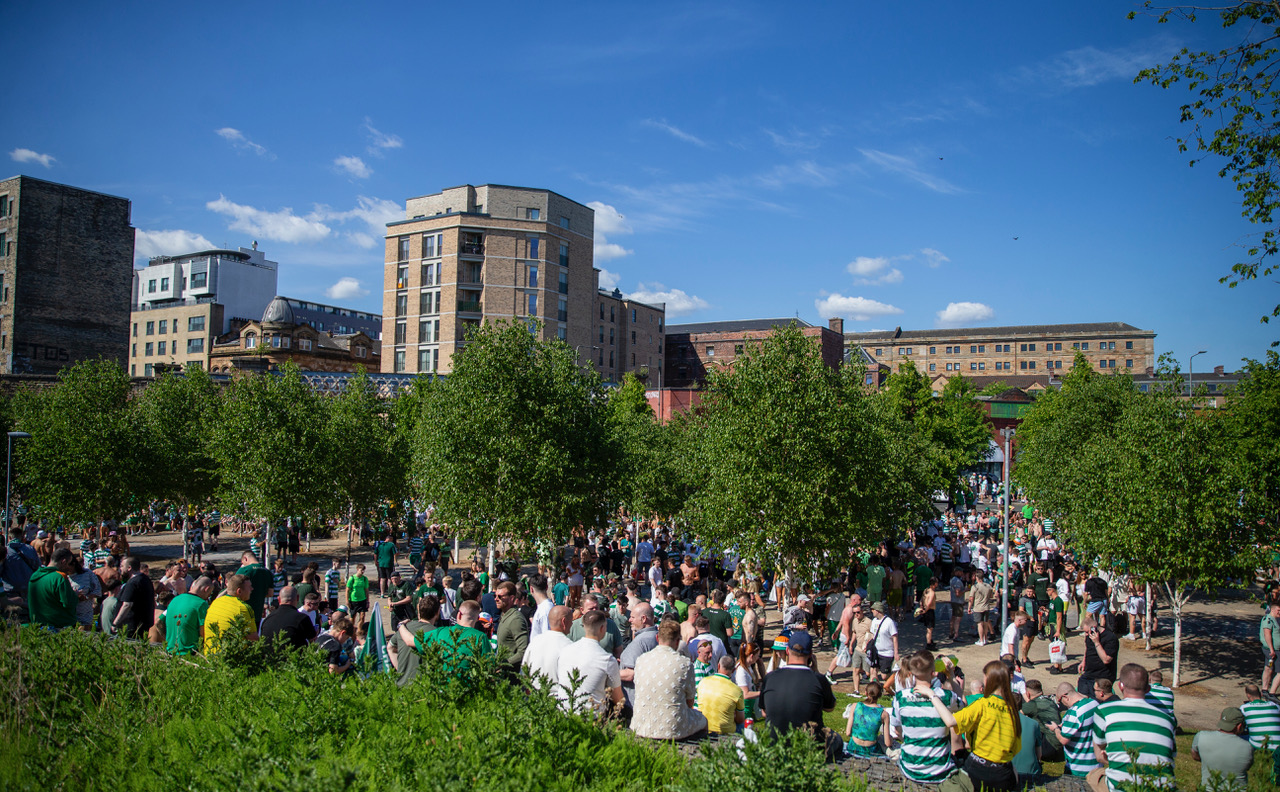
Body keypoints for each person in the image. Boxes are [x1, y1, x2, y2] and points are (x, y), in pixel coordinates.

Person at [931, 659, 1023, 791]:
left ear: (989, 680)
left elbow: (951, 721)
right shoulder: (1012, 710)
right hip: (1003, 777)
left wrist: (932, 696)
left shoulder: (982, 704)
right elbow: (1015, 749)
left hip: (978, 771)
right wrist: (951, 678)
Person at [1088, 664, 1175, 792]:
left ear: (1120, 686)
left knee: (1093, 776)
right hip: (1161, 787)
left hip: (1122, 787)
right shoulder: (1167, 720)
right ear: (1148, 689)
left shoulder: (1104, 711)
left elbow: (1099, 755)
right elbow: (1169, 756)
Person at [758, 630, 841, 761]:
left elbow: (764, 712)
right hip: (806, 744)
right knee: (837, 739)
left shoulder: (770, 677)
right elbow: (830, 707)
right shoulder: (818, 680)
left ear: (787, 651)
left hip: (774, 742)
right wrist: (816, 671)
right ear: (811, 655)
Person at [631, 619, 707, 740]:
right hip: (673, 728)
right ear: (678, 642)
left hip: (641, 725)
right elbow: (690, 702)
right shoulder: (685, 664)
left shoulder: (641, 660)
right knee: (703, 720)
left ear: (657, 638)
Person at [891, 650, 960, 783]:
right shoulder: (946, 697)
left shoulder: (900, 698)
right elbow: (963, 702)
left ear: (910, 672)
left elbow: (897, 731)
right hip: (940, 770)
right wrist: (951, 676)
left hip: (910, 767)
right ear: (933, 672)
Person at [556, 610, 623, 716]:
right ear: (602, 628)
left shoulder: (565, 650)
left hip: (564, 712)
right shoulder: (606, 659)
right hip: (591, 718)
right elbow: (618, 698)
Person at [1191, 707, 1253, 791]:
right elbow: (1247, 766)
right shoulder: (1247, 747)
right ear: (1239, 726)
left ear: (1221, 719)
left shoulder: (1201, 736)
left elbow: (1195, 755)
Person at [1047, 682, 1100, 777]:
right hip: (1096, 764)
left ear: (1065, 697)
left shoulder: (1074, 712)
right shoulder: (1094, 703)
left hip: (1078, 766)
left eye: (1060, 701)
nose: (1062, 704)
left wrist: (1055, 728)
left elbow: (1064, 739)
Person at [388, 595, 438, 687]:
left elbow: (390, 647)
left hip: (401, 684)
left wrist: (400, 668)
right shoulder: (437, 633)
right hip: (424, 687)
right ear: (437, 612)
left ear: (418, 611)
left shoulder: (405, 628)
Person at [203, 574, 259, 654]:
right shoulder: (243, 608)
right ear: (239, 591)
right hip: (230, 658)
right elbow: (253, 639)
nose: (252, 589)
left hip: (211, 655)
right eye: (249, 587)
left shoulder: (215, 602)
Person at [27, 547, 79, 631]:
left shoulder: (35, 575)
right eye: (69, 564)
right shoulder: (60, 577)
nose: (69, 568)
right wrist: (75, 595)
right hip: (58, 626)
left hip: (38, 625)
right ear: (63, 561)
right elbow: (69, 602)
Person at [523, 604, 574, 688]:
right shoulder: (569, 646)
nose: (572, 624)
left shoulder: (535, 641)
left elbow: (524, 670)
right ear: (564, 622)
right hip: (556, 697)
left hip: (534, 694)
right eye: (571, 621)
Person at [618, 602, 658, 709]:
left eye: (632, 617)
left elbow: (631, 674)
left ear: (643, 619)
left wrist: (608, 672)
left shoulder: (640, 642)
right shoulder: (657, 637)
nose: (629, 620)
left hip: (634, 704)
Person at [165, 576, 214, 655]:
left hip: (171, 650)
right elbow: (203, 633)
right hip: (189, 652)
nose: (208, 597)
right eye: (210, 593)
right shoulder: (201, 604)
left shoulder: (175, 599)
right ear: (206, 589)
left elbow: (160, 621)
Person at [697, 655, 746, 734]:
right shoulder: (737, 691)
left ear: (718, 665)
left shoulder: (703, 682)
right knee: (742, 725)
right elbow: (740, 719)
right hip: (726, 732)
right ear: (733, 670)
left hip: (704, 728)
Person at [259, 586, 316, 650]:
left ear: (279, 599)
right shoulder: (302, 618)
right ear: (297, 598)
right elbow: (314, 642)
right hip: (294, 658)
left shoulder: (268, 619)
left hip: (269, 658)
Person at [1077, 613, 1119, 701]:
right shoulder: (1090, 635)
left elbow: (1106, 659)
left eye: (1086, 631)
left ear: (1094, 628)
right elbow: (1088, 649)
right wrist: (1084, 662)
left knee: (1097, 700)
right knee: (1082, 697)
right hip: (1089, 673)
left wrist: (1097, 643)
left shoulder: (1110, 638)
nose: (1086, 635)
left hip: (1102, 676)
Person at [113, 556, 156, 640]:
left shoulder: (132, 583)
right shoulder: (146, 579)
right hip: (144, 625)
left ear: (129, 568)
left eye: (122, 566)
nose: (120, 568)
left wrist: (115, 623)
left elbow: (127, 605)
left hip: (131, 627)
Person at [1021, 679, 1064, 762]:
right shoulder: (1050, 701)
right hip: (1061, 745)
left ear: (1028, 693)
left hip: (1049, 748)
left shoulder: (1033, 704)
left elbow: (1017, 715)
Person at [844, 680, 890, 757]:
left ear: (866, 693)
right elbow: (887, 743)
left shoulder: (855, 706)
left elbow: (848, 733)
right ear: (880, 696)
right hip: (871, 751)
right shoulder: (883, 714)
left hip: (853, 747)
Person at [493, 581, 530, 673]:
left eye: (500, 597)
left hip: (512, 676)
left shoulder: (516, 619)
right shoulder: (504, 615)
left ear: (511, 598)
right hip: (503, 674)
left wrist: (504, 664)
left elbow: (523, 651)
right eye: (495, 596)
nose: (496, 599)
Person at [234, 550, 273, 626]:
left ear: (245, 558)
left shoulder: (244, 570)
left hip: (243, 612)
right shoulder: (268, 572)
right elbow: (270, 593)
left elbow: (233, 589)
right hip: (258, 613)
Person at [1241, 683, 1280, 750]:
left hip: (1259, 747)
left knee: (1238, 737)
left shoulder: (1244, 708)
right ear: (1261, 694)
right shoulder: (1275, 706)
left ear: (1248, 695)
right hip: (1278, 746)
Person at [867, 601, 898, 681]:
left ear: (878, 610)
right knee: (873, 671)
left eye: (873, 609)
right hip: (876, 651)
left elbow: (894, 637)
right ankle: (874, 690)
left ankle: (892, 685)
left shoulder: (889, 622)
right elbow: (872, 635)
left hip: (887, 653)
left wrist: (896, 653)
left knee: (884, 676)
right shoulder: (874, 621)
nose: (872, 611)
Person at [1261, 601, 1280, 694]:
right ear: (1272, 609)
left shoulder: (1274, 619)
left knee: (1269, 668)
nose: (1279, 612)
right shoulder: (1268, 619)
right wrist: (1272, 649)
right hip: (1272, 650)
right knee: (1271, 669)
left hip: (1274, 650)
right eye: (1278, 610)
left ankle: (1265, 690)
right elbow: (1267, 634)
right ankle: (1270, 692)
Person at [346, 563, 370, 631]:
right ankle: (351, 630)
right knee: (353, 617)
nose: (362, 572)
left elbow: (366, 590)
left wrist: (367, 601)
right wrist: (347, 600)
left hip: (362, 600)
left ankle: (359, 631)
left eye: (363, 570)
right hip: (354, 600)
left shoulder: (364, 579)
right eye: (361, 570)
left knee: (362, 616)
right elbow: (347, 590)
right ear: (357, 569)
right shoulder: (352, 578)